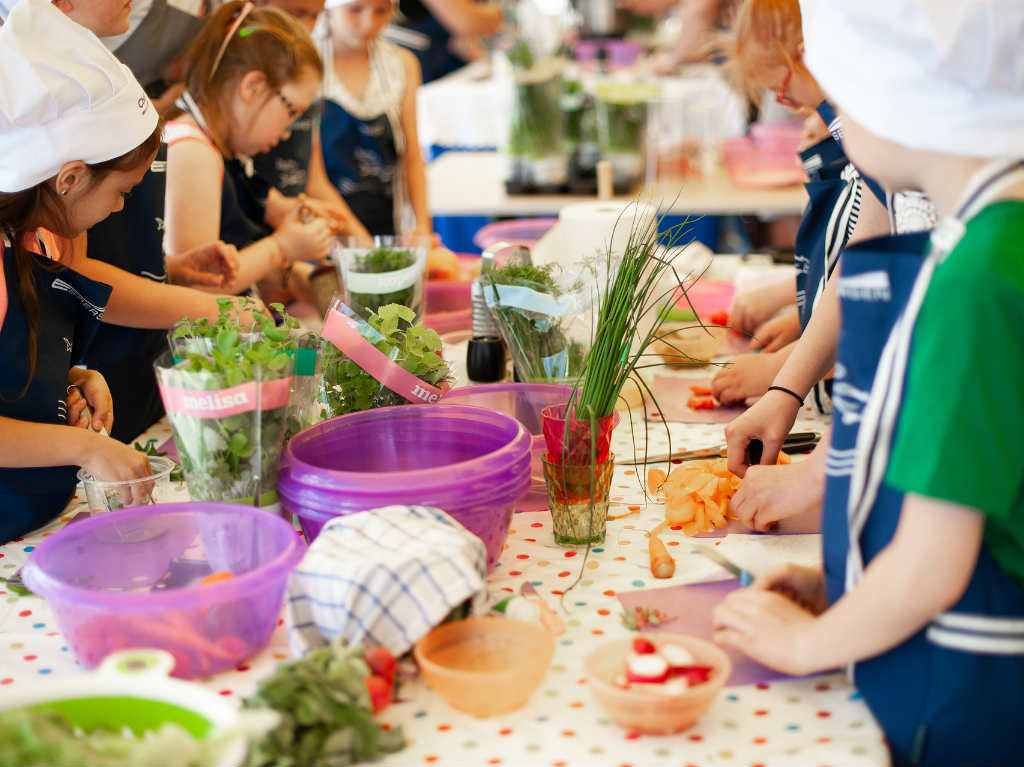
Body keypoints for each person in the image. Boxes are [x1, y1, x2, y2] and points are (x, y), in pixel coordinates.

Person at [714, 3, 1024, 764]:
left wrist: (810, 641)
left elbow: (933, 563)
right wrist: (848, 580)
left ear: (906, 96)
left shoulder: (978, 282)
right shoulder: (987, 236)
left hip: (967, 713)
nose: (837, 125)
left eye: (849, 97)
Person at [0, 0, 171, 540]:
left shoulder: (30, 242)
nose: (121, 209)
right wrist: (85, 445)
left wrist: (66, 379)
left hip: (32, 526)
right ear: (69, 179)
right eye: (121, 193)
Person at [710, 0, 882, 409]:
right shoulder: (861, 142)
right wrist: (804, 318)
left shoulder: (877, 153)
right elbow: (847, 277)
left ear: (808, 54)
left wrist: (778, 375)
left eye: (783, 90)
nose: (792, 107)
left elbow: (875, 307)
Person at [164, 0, 332, 299]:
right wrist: (282, 247)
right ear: (253, 86)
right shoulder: (193, 151)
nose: (286, 133)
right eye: (292, 112)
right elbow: (196, 288)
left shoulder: (220, 150)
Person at [320, 0, 431, 236]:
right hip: (326, 225)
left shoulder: (401, 64)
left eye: (381, 11)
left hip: (390, 217)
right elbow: (311, 174)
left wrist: (422, 226)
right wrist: (357, 238)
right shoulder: (308, 64)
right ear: (328, 7)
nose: (368, 23)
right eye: (355, 10)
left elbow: (411, 154)